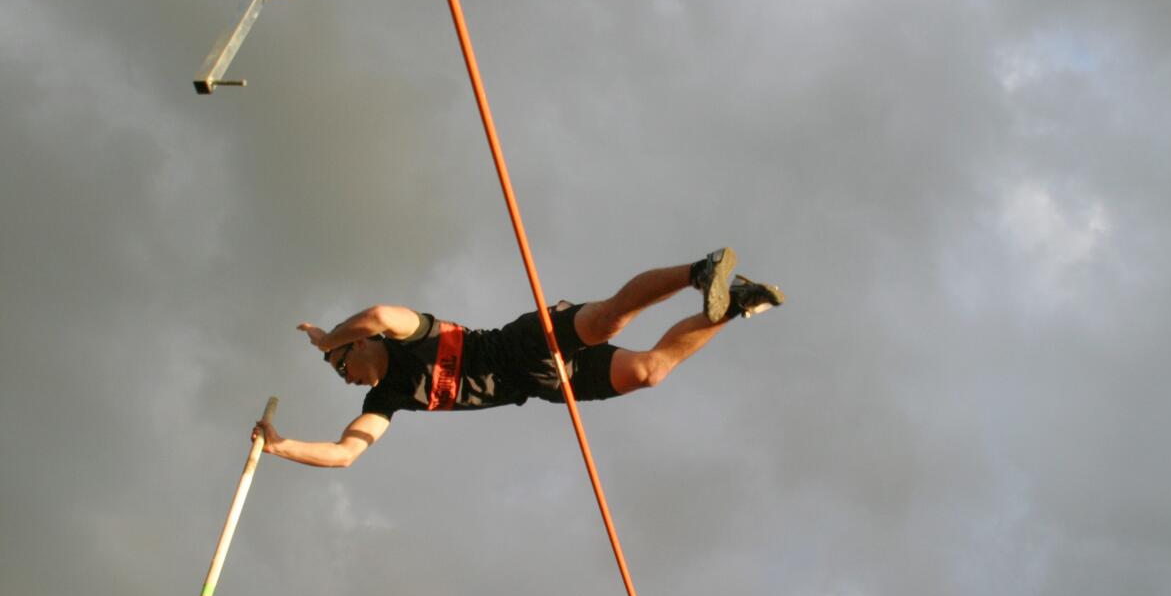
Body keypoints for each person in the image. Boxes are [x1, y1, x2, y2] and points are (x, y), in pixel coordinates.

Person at [254, 248, 783, 467]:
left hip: (521, 345)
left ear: (358, 344)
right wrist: (281, 447)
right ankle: (733, 305)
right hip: (548, 385)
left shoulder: (408, 336)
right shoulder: (387, 397)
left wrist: (326, 340)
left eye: (341, 366)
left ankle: (701, 271)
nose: (344, 379)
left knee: (607, 320)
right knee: (652, 371)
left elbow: (379, 312)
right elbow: (346, 453)